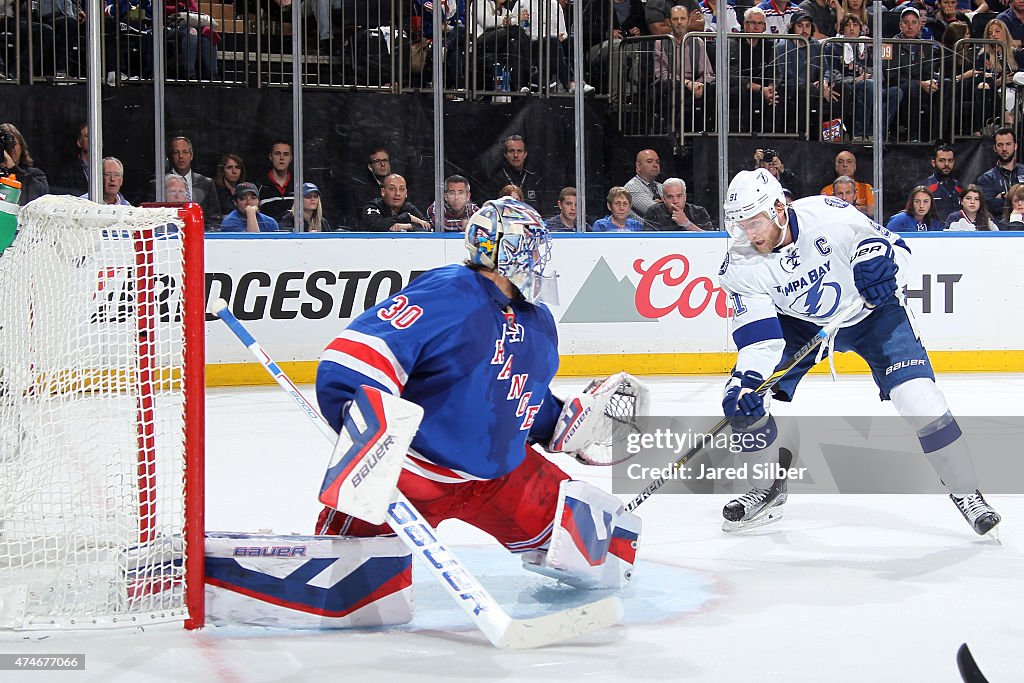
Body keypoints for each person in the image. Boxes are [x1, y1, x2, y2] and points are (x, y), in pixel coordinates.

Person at [314, 197, 641, 590]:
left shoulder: (537, 320)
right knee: (343, 587)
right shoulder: (450, 293)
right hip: (416, 475)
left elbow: (518, 395)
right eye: (533, 246)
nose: (539, 258)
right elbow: (352, 361)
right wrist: (369, 434)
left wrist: (559, 422)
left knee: (601, 554)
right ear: (508, 249)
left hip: (499, 477)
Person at [717, 167, 1001, 536]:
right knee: (744, 402)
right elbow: (760, 340)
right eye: (739, 225)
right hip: (803, 325)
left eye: (754, 223)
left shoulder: (829, 214)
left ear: (778, 209)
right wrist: (746, 380)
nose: (747, 234)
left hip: (872, 312)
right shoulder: (738, 263)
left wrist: (885, 269)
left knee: (919, 399)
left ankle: (967, 493)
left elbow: (897, 251)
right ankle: (765, 487)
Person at [166, 136, 220, 222]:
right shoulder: (159, 184)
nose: (181, 156)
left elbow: (214, 217)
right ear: (171, 156)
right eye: (176, 152)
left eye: (185, 152)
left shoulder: (207, 183)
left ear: (191, 156)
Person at [976, 126, 1024, 216]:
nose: (1004, 149)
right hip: (999, 227)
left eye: (1008, 144)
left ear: (1015, 146)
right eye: (1000, 145)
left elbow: (996, 204)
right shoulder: (986, 179)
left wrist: (1002, 197)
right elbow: (989, 206)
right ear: (994, 148)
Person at [490, 135, 545, 211]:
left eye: (519, 151)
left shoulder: (535, 179)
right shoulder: (496, 180)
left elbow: (543, 209)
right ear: (505, 154)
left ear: (525, 154)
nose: (516, 155)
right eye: (511, 151)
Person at [361, 173, 431, 232]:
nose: (397, 193)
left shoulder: (408, 208)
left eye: (402, 189)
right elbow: (375, 225)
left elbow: (429, 227)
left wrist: (408, 226)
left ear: (406, 193)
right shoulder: (373, 206)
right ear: (383, 192)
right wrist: (405, 217)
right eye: (392, 189)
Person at [0, 122, 49, 205]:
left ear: (22, 146)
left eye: (13, 143)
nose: (10, 149)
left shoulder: (34, 174)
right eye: (4, 145)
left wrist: (14, 169)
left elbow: (40, 196)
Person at [643, 177, 714, 230]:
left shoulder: (699, 212)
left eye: (679, 196)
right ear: (663, 199)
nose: (675, 201)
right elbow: (647, 241)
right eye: (670, 197)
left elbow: (711, 239)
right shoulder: (654, 212)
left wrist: (687, 223)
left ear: (685, 197)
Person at [820, 150, 874, 216]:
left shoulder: (866, 188)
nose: (845, 165)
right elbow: (825, 213)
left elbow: (873, 212)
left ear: (855, 166)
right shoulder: (826, 190)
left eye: (849, 162)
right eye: (840, 162)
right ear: (836, 167)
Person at [918, 144, 962, 219]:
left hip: (957, 229)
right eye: (942, 160)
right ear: (933, 163)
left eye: (950, 160)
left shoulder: (960, 187)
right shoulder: (923, 188)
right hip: (933, 230)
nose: (946, 164)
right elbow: (911, 215)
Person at [258, 140, 294, 222]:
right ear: (270, 157)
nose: (282, 158)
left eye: (286, 154)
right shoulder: (259, 185)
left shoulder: (299, 185)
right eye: (277, 154)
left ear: (291, 158)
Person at [623, 148, 663, 221]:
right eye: (649, 161)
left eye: (657, 162)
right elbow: (656, 213)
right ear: (638, 166)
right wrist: (666, 204)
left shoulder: (661, 187)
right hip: (641, 231)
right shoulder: (632, 187)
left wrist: (662, 204)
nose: (655, 165)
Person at [53, 122, 89, 196]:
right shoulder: (67, 171)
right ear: (79, 142)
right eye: (87, 136)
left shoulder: (107, 168)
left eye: (96, 136)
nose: (92, 139)